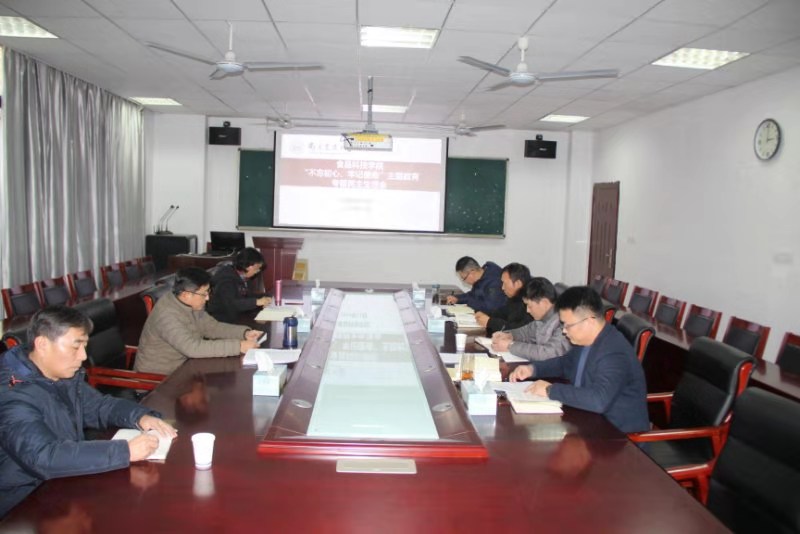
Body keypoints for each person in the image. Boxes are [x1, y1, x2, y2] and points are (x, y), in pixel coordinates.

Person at [0, 306, 177, 517]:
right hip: (21, 503)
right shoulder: (12, 393)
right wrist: (124, 451)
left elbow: (99, 406)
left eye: (85, 346)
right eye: (76, 347)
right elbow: (42, 457)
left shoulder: (60, 375)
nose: (83, 356)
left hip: (63, 479)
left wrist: (140, 416)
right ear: (42, 344)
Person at [509, 286, 648, 434]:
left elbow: (598, 400)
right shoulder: (586, 340)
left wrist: (550, 390)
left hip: (617, 436)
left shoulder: (614, 352)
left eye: (568, 325)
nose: (564, 331)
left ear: (589, 321)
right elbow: (565, 364)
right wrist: (533, 369)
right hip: (588, 420)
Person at [135, 267, 262, 376]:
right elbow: (193, 348)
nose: (207, 298)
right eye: (204, 294)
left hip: (184, 368)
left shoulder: (191, 304)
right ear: (186, 295)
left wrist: (244, 333)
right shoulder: (167, 315)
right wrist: (238, 346)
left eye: (208, 292)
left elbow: (212, 327)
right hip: (158, 380)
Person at [491, 277, 571, 361]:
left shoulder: (564, 322)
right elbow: (526, 332)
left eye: (530, 306)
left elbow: (547, 353)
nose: (527, 310)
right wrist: (509, 335)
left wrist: (510, 346)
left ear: (544, 302)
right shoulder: (542, 318)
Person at [207, 247, 272, 324]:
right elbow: (231, 304)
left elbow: (246, 295)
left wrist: (267, 297)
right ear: (247, 266)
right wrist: (257, 302)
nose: (258, 271)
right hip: (222, 321)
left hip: (237, 316)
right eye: (257, 268)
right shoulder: (226, 280)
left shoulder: (242, 276)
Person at [475, 262, 533, 335]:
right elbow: (502, 313)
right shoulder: (515, 298)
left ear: (517, 284)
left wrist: (490, 322)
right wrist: (483, 314)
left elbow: (520, 330)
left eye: (505, 283)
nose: (502, 288)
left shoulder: (531, 301)